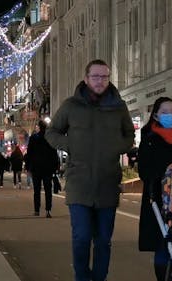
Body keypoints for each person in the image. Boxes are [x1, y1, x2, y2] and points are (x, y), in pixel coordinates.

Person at [45, 59, 135, 281]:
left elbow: (129, 135)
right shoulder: (71, 106)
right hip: (79, 184)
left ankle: (99, 278)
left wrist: (117, 147)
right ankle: (82, 278)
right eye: (95, 76)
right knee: (82, 237)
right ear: (86, 79)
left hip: (107, 184)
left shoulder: (118, 106)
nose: (100, 81)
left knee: (103, 240)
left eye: (104, 76)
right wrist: (69, 145)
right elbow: (52, 132)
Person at [137, 97, 172, 281]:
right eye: (165, 112)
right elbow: (144, 170)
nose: (170, 115)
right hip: (158, 199)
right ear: (156, 115)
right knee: (163, 243)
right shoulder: (149, 139)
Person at [27, 120, 59, 218]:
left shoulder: (33, 138)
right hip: (47, 168)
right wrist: (55, 167)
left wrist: (29, 167)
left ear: (38, 127)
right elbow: (54, 154)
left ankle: (37, 210)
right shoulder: (50, 138)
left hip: (36, 168)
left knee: (37, 190)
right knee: (48, 190)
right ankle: (48, 210)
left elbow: (30, 154)